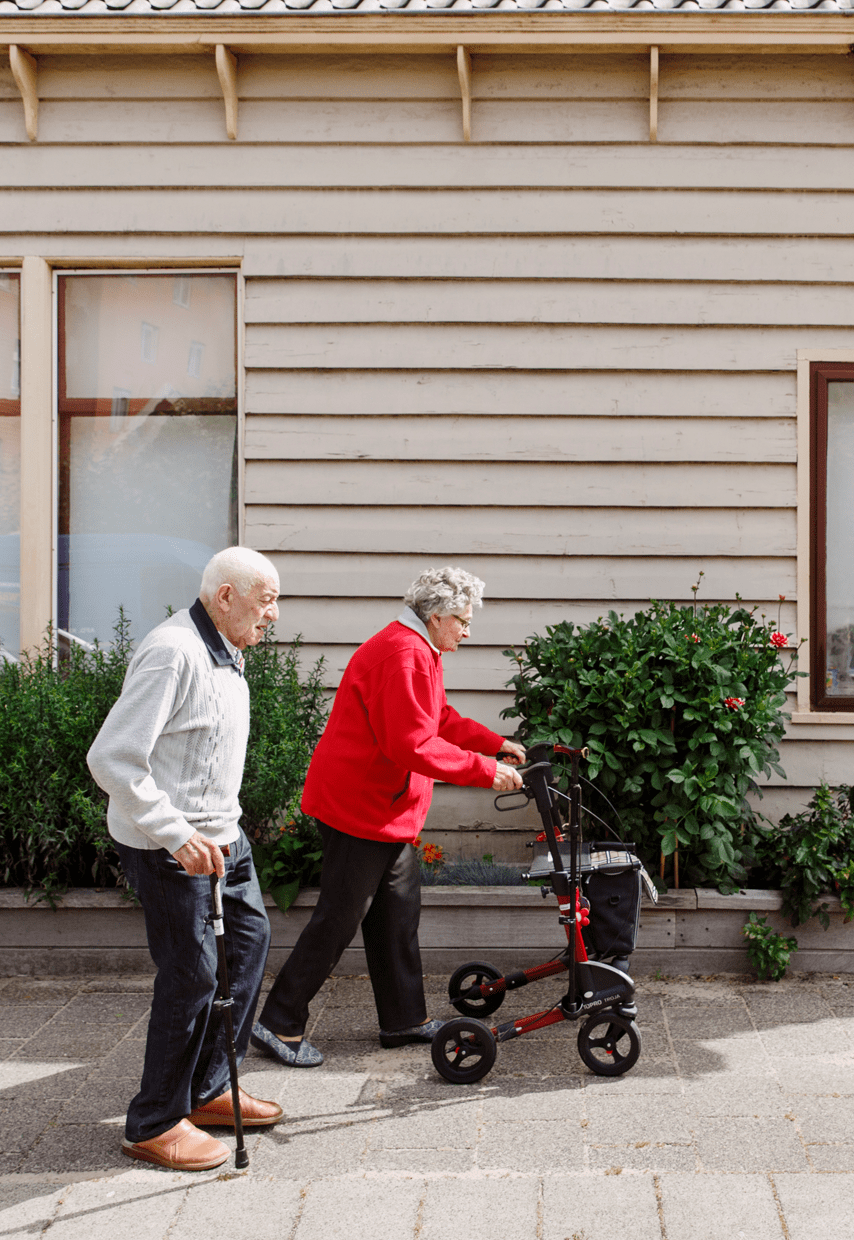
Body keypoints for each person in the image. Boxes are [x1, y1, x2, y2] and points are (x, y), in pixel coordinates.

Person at [252, 566, 525, 1067]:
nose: (468, 630)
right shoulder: (405, 653)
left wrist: (495, 744)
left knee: (397, 912)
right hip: (359, 809)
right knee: (339, 918)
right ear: (437, 616)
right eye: (463, 620)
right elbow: (411, 744)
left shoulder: (421, 648)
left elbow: (435, 717)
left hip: (384, 810)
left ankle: (404, 1020)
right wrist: (485, 772)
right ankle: (277, 1022)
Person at [87, 546, 283, 1172]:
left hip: (225, 838)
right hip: (171, 847)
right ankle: (152, 1121)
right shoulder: (173, 651)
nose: (273, 614)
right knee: (193, 976)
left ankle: (205, 1091)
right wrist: (175, 832)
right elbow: (112, 757)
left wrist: (223, 825)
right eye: (266, 599)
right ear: (225, 596)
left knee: (250, 945)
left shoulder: (229, 651)